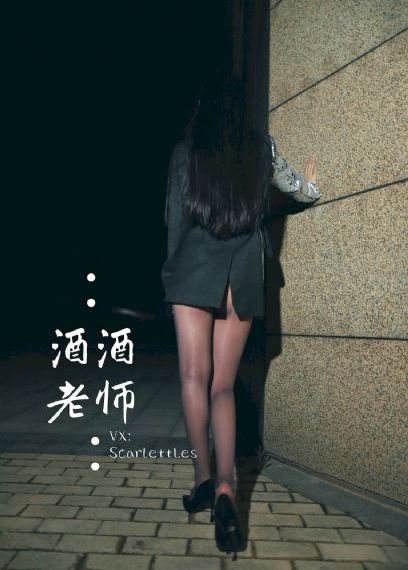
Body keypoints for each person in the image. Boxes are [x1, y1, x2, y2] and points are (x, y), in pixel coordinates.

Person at [160, 70, 322, 558]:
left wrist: (173, 273)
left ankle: (203, 480)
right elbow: (295, 189)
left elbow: (174, 220)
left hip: (194, 267)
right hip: (243, 270)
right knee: (223, 386)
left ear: (204, 108)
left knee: (194, 378)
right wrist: (311, 188)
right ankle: (229, 490)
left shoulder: (186, 152)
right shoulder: (261, 148)